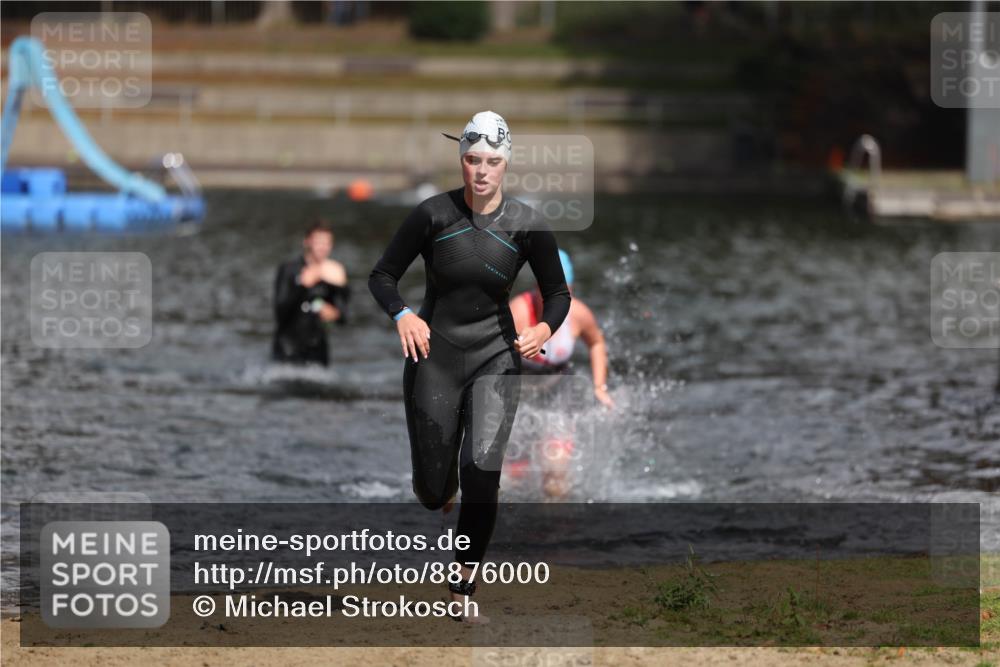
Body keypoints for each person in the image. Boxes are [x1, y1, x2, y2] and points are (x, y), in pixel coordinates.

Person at [368, 111, 570, 623]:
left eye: (492, 162)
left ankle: (462, 583)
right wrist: (402, 314)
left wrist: (545, 329)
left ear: (506, 164)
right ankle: (442, 490)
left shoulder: (526, 225)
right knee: (433, 490)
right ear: (462, 161)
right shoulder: (432, 215)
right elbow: (383, 275)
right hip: (434, 356)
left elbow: (558, 294)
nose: (482, 171)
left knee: (483, 473)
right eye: (473, 160)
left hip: (496, 356)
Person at [272, 221, 350, 366]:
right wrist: (302, 285)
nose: (323, 248)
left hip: (317, 352)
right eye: (319, 242)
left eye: (327, 243)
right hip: (288, 349)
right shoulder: (289, 269)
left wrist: (334, 312)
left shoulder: (334, 274)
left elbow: (343, 316)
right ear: (307, 242)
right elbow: (279, 312)